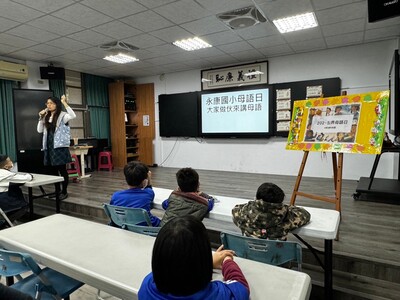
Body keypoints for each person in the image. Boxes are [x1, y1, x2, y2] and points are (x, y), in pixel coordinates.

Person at [138, 215, 250, 299]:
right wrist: (227, 261)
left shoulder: (146, 287)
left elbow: (175, 267)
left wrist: (206, 263)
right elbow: (240, 286)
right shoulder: (220, 295)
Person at [232, 183, 310, 240]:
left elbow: (235, 209)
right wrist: (286, 208)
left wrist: (255, 204)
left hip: (248, 257)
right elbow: (305, 215)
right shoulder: (287, 217)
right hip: (277, 260)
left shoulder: (243, 213)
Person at [37, 95, 76, 200]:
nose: (48, 105)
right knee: (53, 170)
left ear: (56, 104)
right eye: (47, 103)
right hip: (49, 146)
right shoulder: (46, 116)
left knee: (62, 170)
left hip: (59, 147)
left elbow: (73, 115)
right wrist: (40, 117)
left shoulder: (63, 115)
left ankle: (64, 191)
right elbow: (39, 130)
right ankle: (57, 190)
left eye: (51, 103)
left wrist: (65, 102)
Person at [110, 161, 160, 227]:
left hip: (124, 226)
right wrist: (149, 180)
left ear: (126, 179)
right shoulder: (148, 193)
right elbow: (149, 191)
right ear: (145, 181)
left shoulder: (116, 196)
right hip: (146, 229)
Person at [0, 154, 32, 223]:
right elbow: (25, 178)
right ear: (5, 166)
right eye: (9, 160)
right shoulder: (6, 174)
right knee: (24, 206)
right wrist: (30, 175)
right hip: (3, 202)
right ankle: (6, 223)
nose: (11, 161)